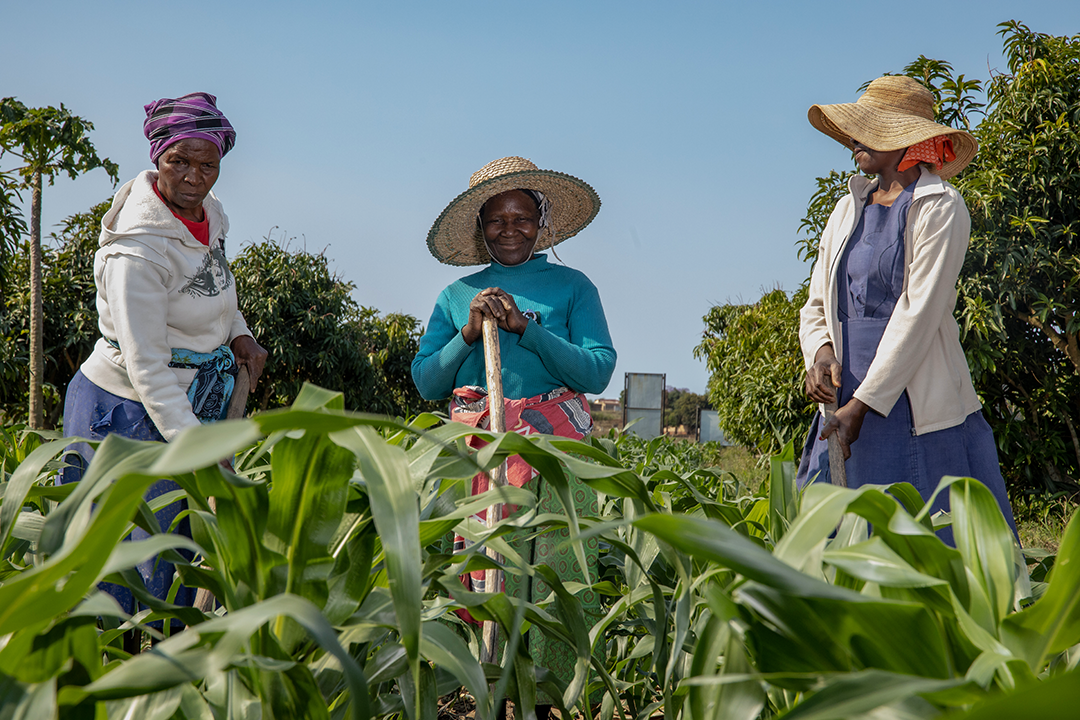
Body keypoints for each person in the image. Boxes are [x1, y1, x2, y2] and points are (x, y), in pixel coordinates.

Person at [412, 156, 616, 715]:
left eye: (521, 217)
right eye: (496, 219)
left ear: (541, 221)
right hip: (480, 453)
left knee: (553, 565)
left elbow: (597, 371)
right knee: (481, 570)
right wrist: (469, 333)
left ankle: (553, 693)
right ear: (480, 228)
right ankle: (477, 687)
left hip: (554, 452)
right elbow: (427, 380)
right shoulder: (458, 294)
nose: (509, 229)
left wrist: (527, 329)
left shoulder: (572, 288)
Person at [63, 92, 268, 617]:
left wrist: (238, 332)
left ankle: (169, 672)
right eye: (180, 161)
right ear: (158, 157)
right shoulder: (138, 249)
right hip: (124, 410)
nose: (194, 177)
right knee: (123, 565)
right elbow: (147, 366)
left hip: (182, 400)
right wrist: (200, 448)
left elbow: (213, 289)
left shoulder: (209, 215)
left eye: (208, 164)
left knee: (177, 554)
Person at [797, 75, 1017, 543]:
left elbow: (919, 315)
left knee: (924, 542)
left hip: (909, 400)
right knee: (834, 549)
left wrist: (863, 406)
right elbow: (817, 301)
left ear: (904, 141)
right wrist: (819, 354)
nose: (854, 140)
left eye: (869, 130)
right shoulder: (845, 209)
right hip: (844, 393)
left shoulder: (942, 208)